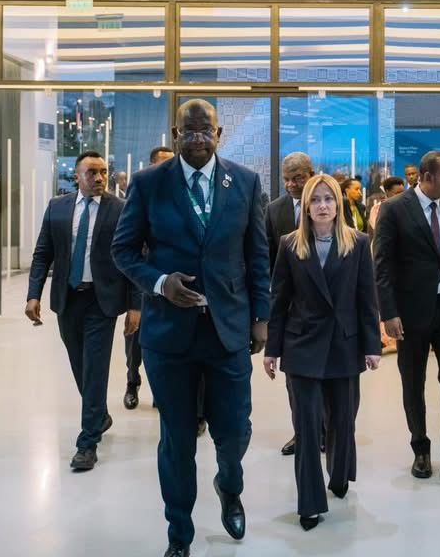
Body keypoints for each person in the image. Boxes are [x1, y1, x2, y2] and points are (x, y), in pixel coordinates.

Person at [112, 99, 269, 557]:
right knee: (177, 440)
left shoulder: (245, 182)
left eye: (206, 131)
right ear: (176, 133)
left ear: (218, 134)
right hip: (169, 336)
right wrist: (160, 283)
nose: (198, 139)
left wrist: (261, 317)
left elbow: (257, 255)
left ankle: (229, 486)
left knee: (234, 431)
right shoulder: (148, 183)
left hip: (228, 330)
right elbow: (123, 251)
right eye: (189, 131)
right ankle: (178, 532)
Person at [264, 174, 382, 531]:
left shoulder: (358, 243)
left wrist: (372, 346)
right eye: (315, 200)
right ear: (305, 207)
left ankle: (340, 473)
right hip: (302, 346)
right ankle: (310, 503)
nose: (322, 206)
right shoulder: (290, 245)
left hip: (344, 345)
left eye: (329, 199)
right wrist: (271, 349)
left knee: (343, 420)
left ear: (338, 204)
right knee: (306, 425)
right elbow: (279, 300)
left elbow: (367, 298)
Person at [26, 151, 140, 472]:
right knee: (80, 365)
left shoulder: (120, 209)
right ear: (77, 176)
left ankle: (87, 443)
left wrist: (135, 305)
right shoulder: (57, 208)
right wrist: (33, 295)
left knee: (95, 369)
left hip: (102, 301)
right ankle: (99, 415)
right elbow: (43, 253)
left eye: (103, 171)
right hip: (68, 299)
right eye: (92, 172)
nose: (99, 178)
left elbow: (133, 257)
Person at [373, 150, 440, 490]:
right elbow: (382, 265)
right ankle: (420, 448)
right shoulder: (393, 209)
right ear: (427, 177)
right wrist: (388, 312)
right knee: (413, 383)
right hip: (410, 313)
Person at [263, 152, 315, 457]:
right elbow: (268, 259)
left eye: (298, 178)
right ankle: (303, 432)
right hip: (290, 307)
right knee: (293, 377)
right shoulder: (274, 210)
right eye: (286, 179)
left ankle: (327, 430)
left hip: (327, 305)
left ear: (311, 175)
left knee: (326, 374)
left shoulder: (329, 203)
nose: (291, 184)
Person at [123, 145, 176, 412]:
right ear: (151, 164)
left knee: (164, 345)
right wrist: (133, 300)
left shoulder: (179, 195)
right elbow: (127, 249)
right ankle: (132, 383)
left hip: (171, 285)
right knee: (134, 343)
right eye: (162, 163)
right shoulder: (141, 191)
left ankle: (160, 390)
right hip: (141, 283)